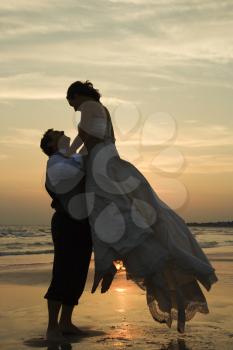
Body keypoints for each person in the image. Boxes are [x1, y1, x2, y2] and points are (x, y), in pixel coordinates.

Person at [64, 80, 218, 334]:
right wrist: (71, 154)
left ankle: (109, 263)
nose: (72, 108)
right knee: (130, 223)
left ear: (78, 95)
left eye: (72, 102)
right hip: (107, 161)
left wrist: (68, 156)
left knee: (107, 217)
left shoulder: (90, 107)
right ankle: (115, 264)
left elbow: (88, 137)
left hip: (102, 167)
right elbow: (86, 139)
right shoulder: (97, 108)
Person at [40, 129, 93, 341]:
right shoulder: (55, 161)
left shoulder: (73, 157)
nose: (62, 131)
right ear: (52, 145)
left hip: (82, 223)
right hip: (65, 222)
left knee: (79, 273)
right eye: (56, 133)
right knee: (62, 271)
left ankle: (66, 322)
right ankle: (52, 326)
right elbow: (73, 176)